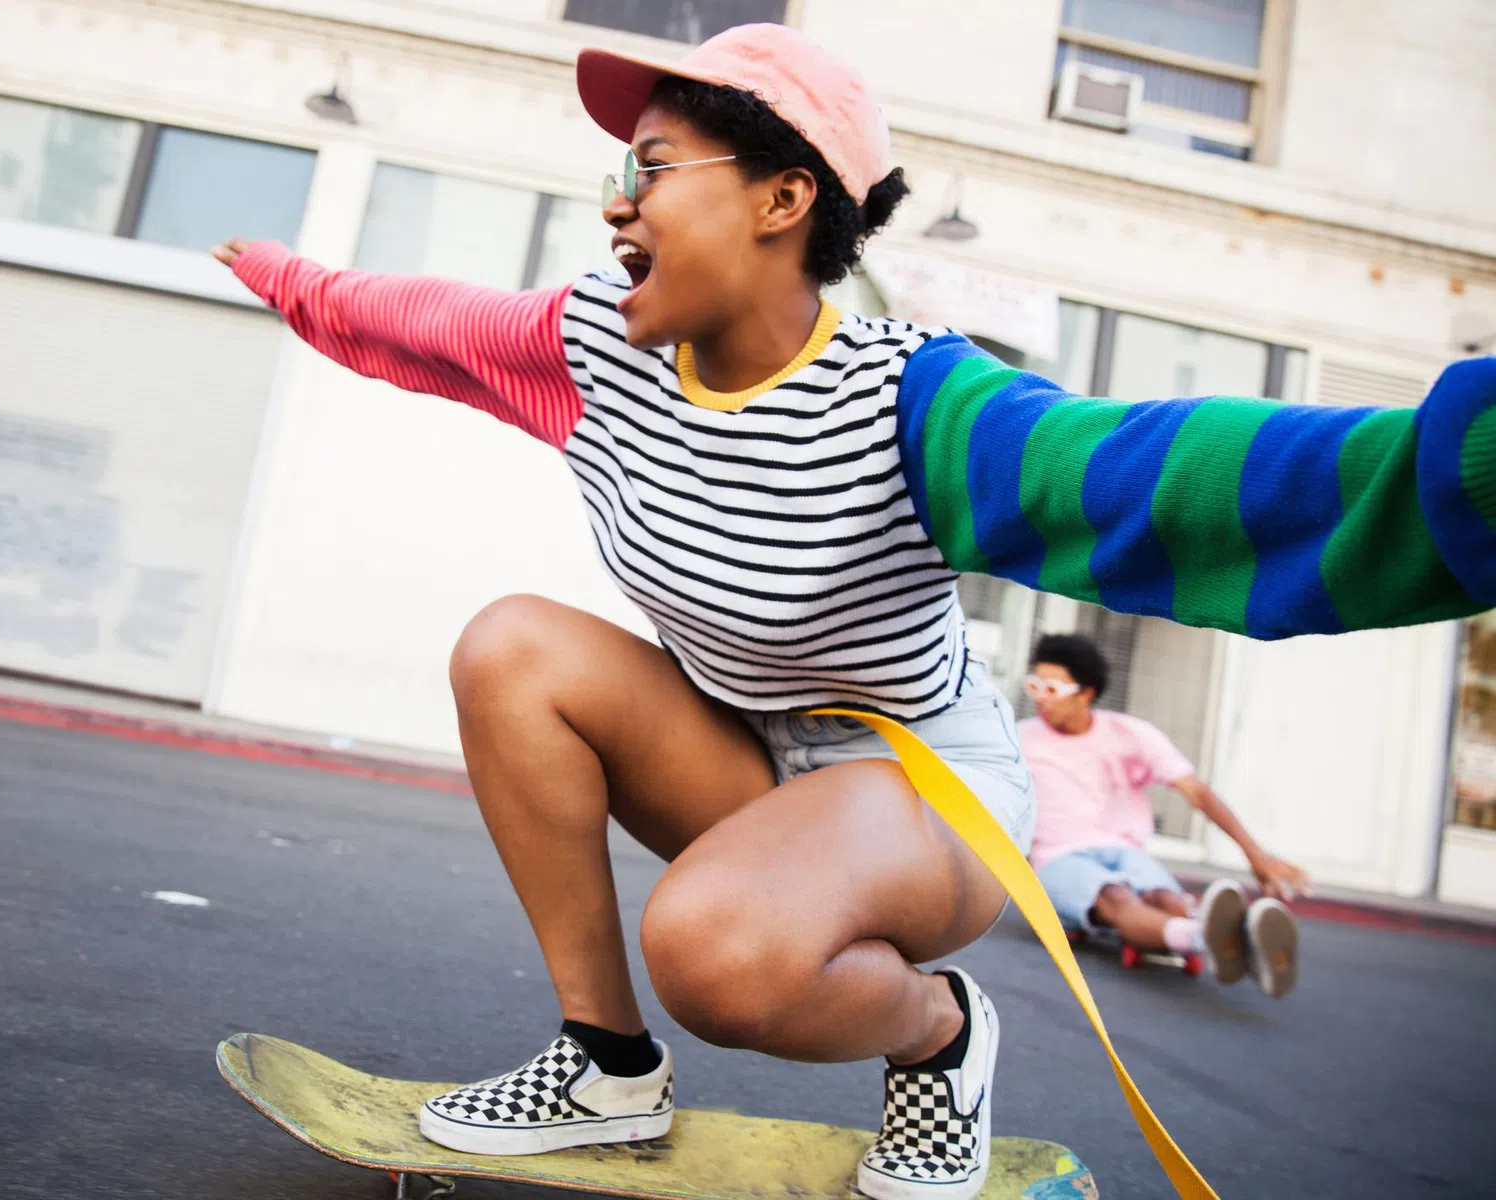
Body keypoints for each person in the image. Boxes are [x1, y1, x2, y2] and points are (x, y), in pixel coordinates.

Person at [210, 23, 1492, 1198]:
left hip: (924, 791)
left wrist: (1459, 468)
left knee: (713, 952)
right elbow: (416, 321)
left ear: (782, 197)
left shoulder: (911, 403)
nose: (616, 202)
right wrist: (280, 269)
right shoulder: (597, 346)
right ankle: (603, 1066)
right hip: (752, 761)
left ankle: (941, 1034)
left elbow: (1155, 481)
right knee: (513, 650)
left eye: (652, 168)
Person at [1020, 634, 1308, 997]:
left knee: (1166, 899)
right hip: (1057, 858)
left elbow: (1197, 793)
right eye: (1034, 686)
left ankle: (1241, 944)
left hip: (1124, 851)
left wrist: (1257, 856)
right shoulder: (1019, 739)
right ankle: (1210, 939)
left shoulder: (1129, 734)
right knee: (1117, 897)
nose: (1039, 699)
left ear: (1085, 693)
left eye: (1052, 689)